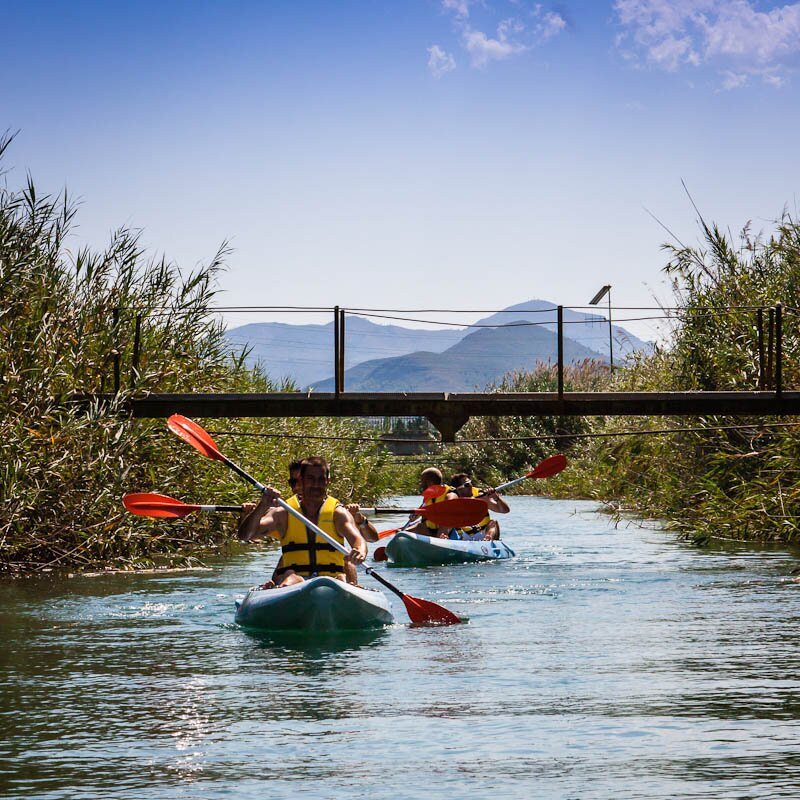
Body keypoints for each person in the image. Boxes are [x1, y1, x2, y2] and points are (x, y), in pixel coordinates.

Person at [237, 456, 368, 587]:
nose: (316, 485)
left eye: (321, 479)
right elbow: (245, 535)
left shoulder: (338, 513)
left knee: (341, 578)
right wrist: (263, 505)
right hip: (295, 581)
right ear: (301, 480)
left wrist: (360, 550)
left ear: (328, 481)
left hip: (332, 580)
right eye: (311, 479)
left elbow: (358, 540)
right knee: (290, 577)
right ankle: (284, 587)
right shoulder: (283, 513)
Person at [449, 472, 509, 540]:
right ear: (458, 489)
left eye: (470, 482)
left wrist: (496, 497)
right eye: (467, 485)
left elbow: (505, 510)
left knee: (493, 523)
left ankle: (488, 539)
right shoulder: (452, 498)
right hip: (462, 536)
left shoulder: (481, 496)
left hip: (483, 534)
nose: (471, 486)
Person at [409, 467, 457, 538]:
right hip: (430, 530)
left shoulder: (450, 493)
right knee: (418, 527)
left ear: (430, 482)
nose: (421, 484)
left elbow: (452, 502)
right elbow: (420, 512)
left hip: (446, 531)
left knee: (443, 524)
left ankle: (442, 539)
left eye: (423, 481)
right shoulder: (428, 497)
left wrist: (439, 509)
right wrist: (416, 514)